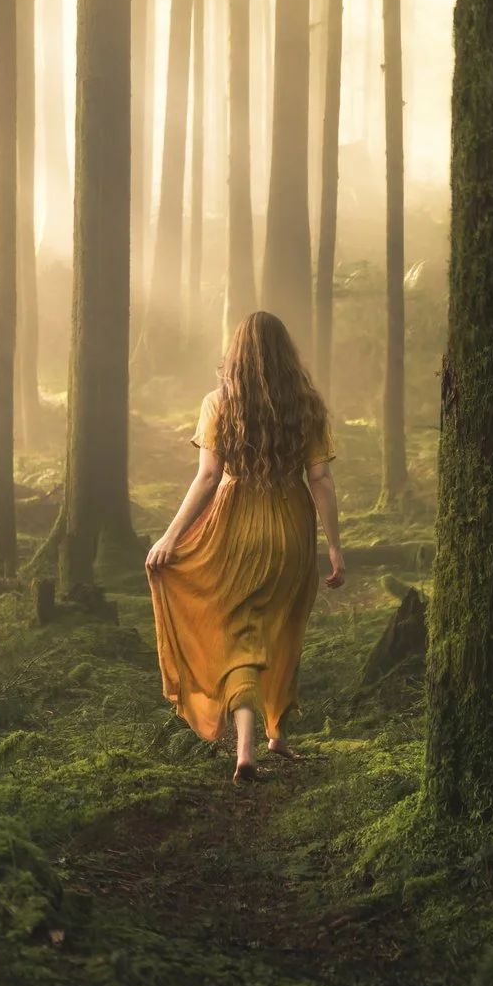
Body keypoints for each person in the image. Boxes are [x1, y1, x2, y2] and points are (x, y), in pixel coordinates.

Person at [145, 311, 346, 782]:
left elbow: (209, 477)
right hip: (291, 525)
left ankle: (246, 749)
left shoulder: (219, 404)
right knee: (281, 621)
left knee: (240, 632)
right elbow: (320, 479)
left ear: (235, 355)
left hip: (235, 527)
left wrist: (171, 537)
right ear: (286, 355)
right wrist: (334, 546)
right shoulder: (307, 406)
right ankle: (278, 731)